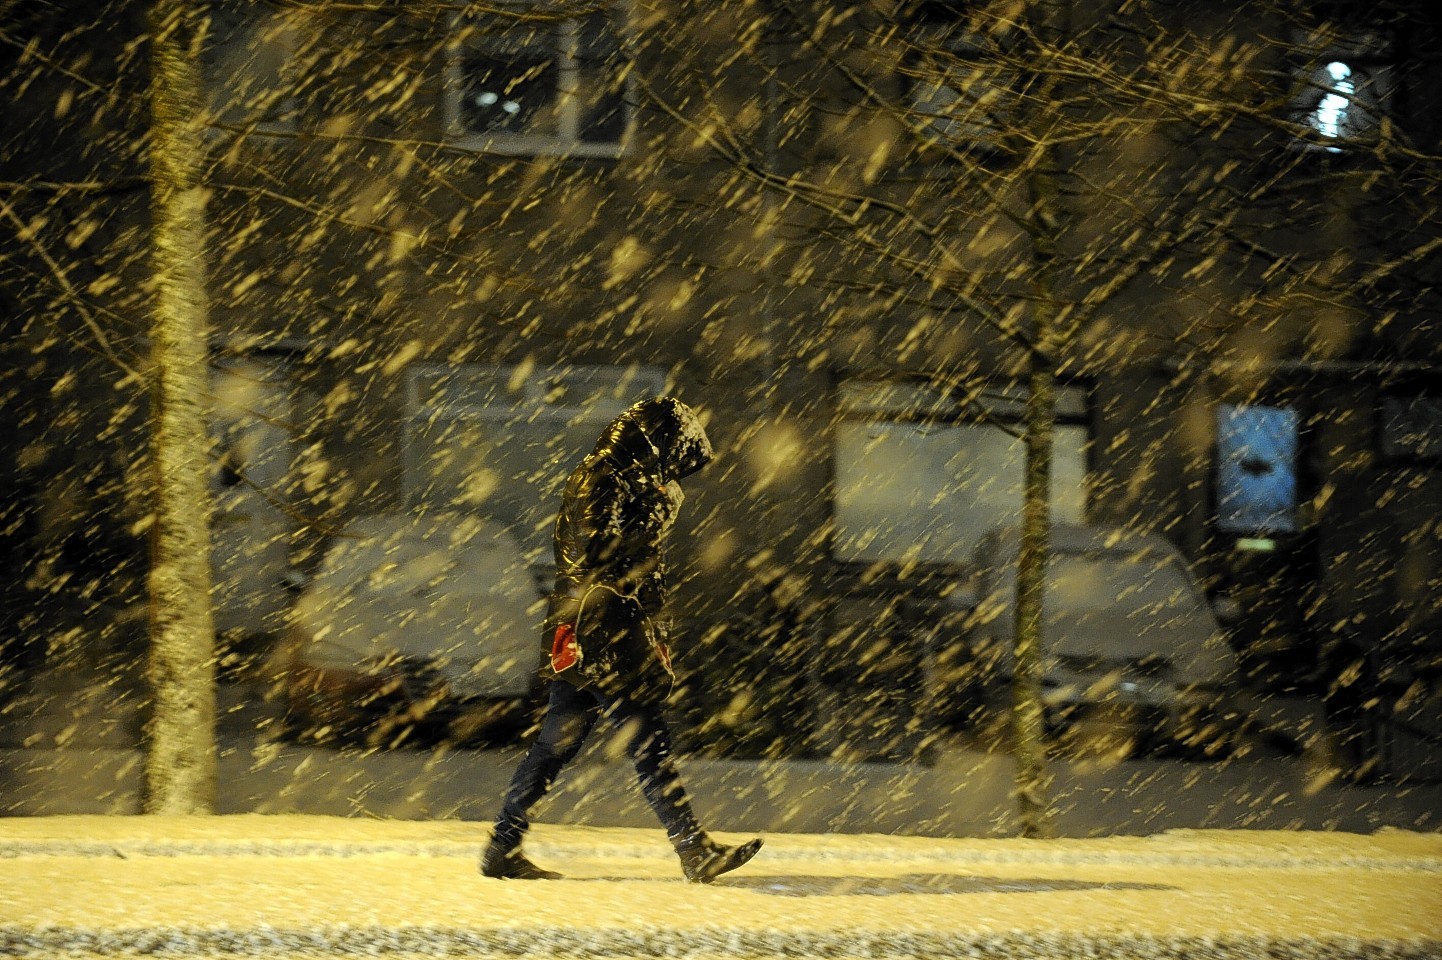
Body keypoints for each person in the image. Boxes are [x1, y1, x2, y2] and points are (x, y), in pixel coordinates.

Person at [481, 396, 763, 883]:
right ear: (654, 445)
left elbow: (625, 561)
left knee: (555, 746)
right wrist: (654, 510)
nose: (670, 475)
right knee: (646, 739)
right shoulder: (603, 477)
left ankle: (503, 845)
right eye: (671, 460)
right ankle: (693, 849)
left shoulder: (618, 478)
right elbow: (600, 552)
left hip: (587, 629)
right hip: (603, 631)